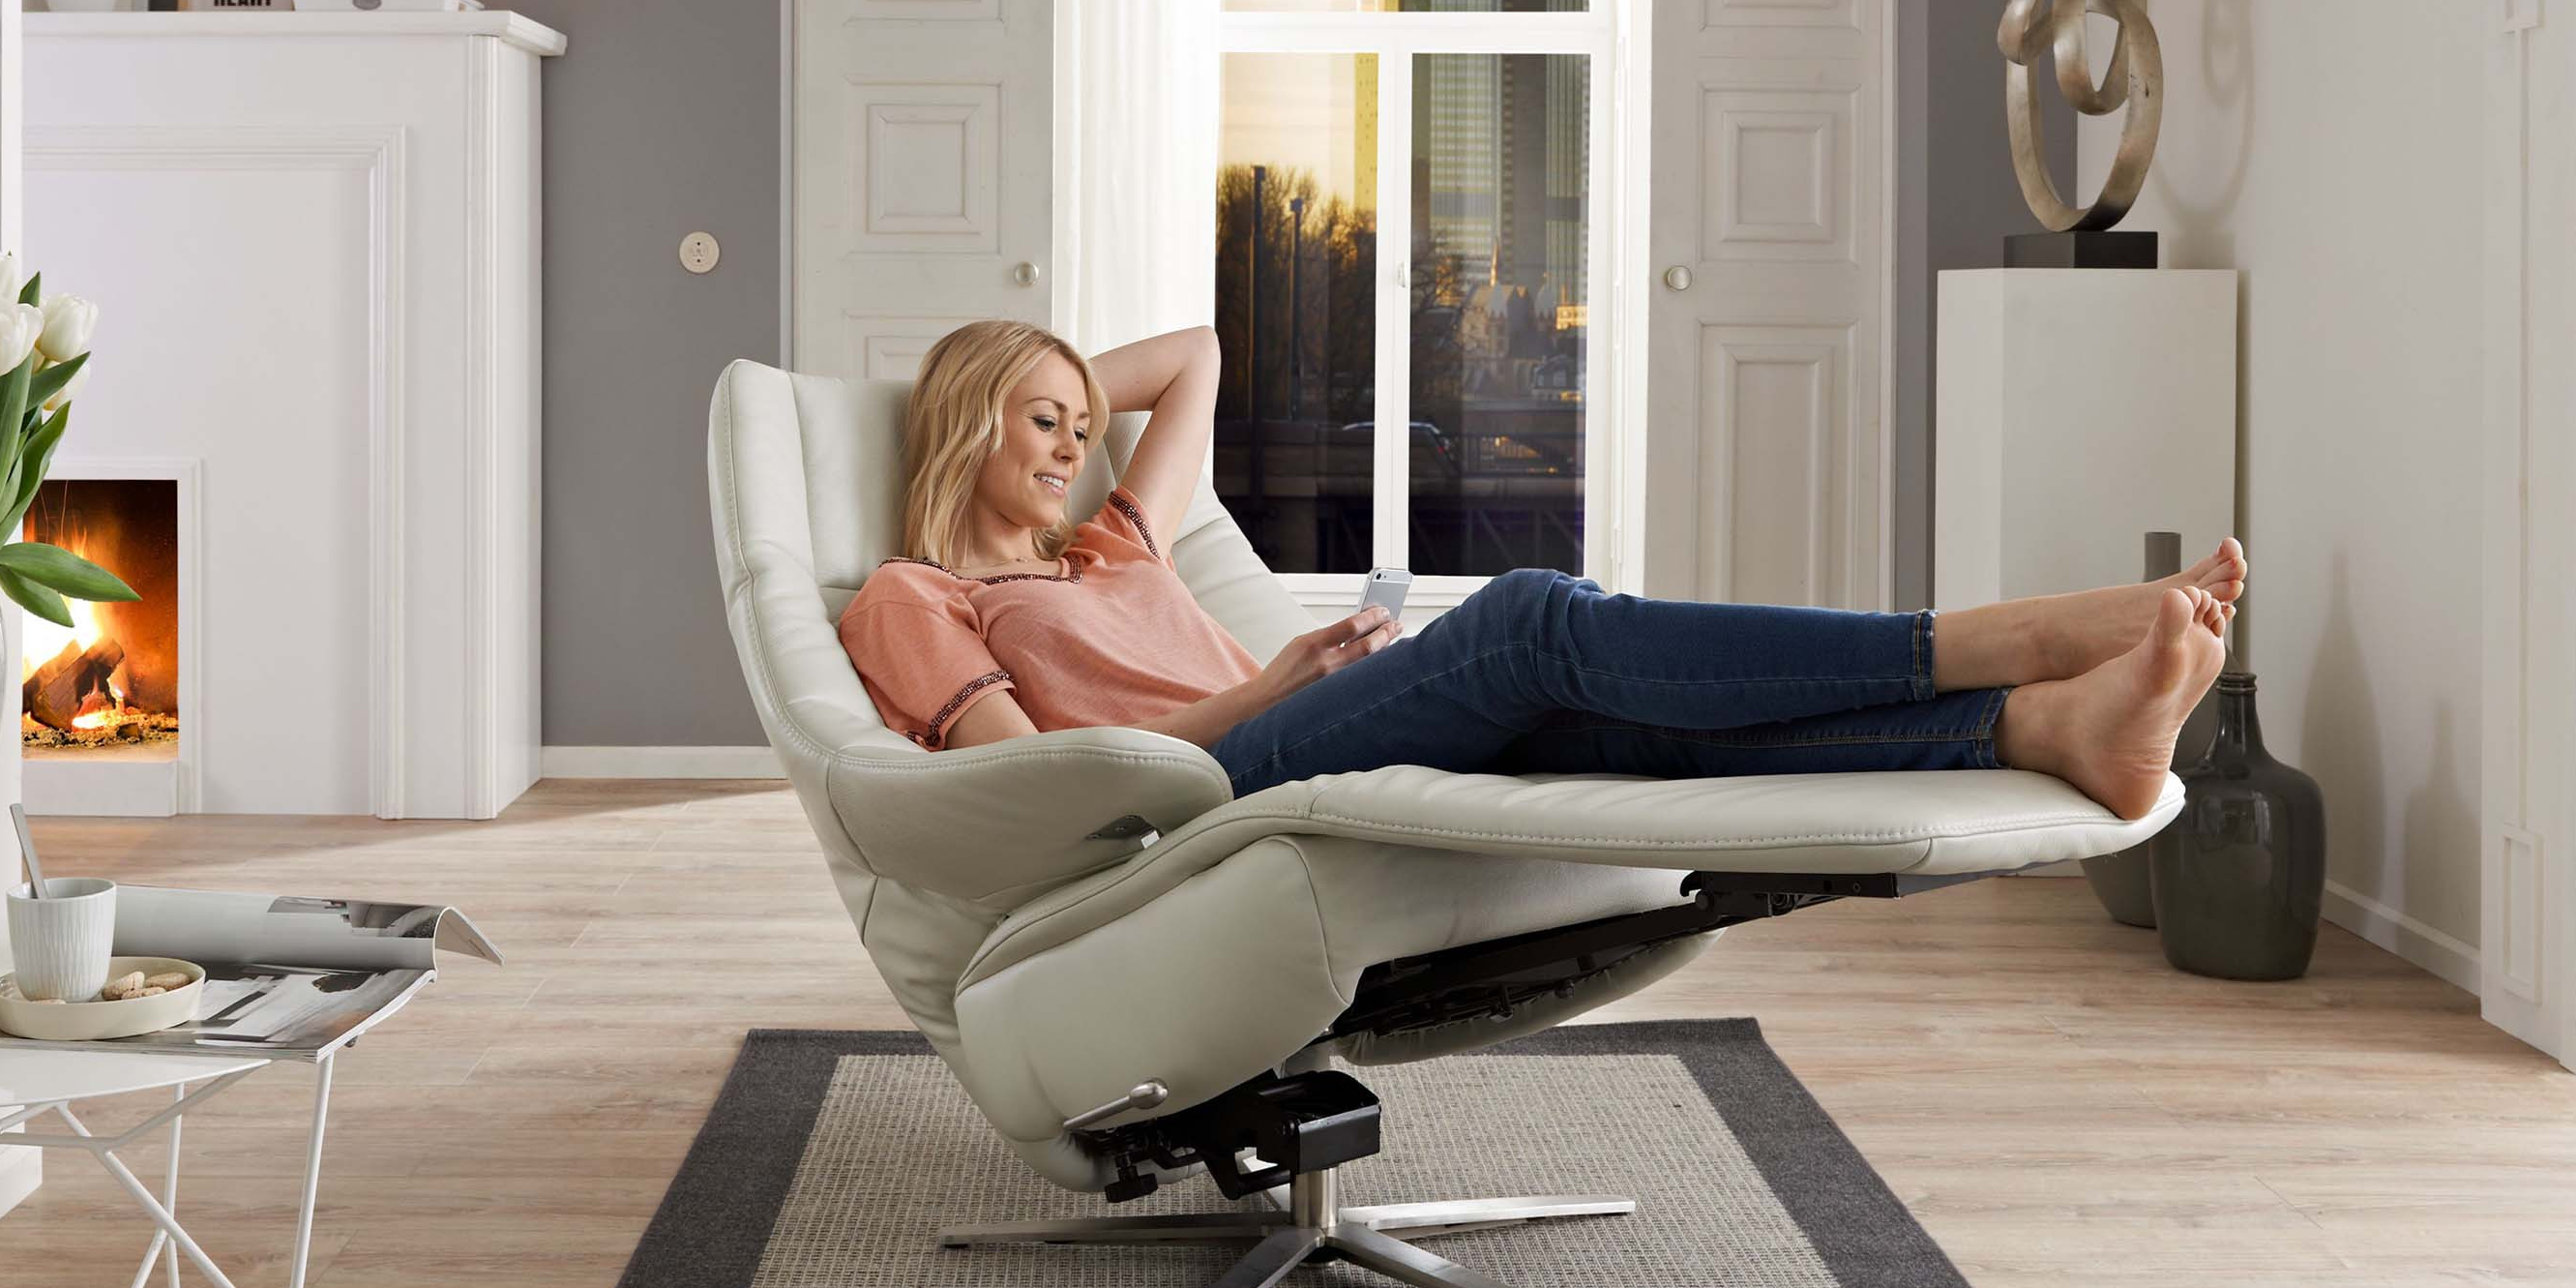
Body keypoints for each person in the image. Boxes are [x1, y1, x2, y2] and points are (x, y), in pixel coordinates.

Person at [840, 319, 2239, 819]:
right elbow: (1035, 787)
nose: (1078, 446)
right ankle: (2007, 640)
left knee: (1612, 719)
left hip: (1294, 720)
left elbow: (1196, 356)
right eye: (1044, 423)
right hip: (1205, 787)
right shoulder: (915, 597)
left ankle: (2035, 728)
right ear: (965, 424)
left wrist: (1046, 375)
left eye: (1084, 426)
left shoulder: (1108, 541)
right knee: (1529, 619)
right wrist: (1261, 692)